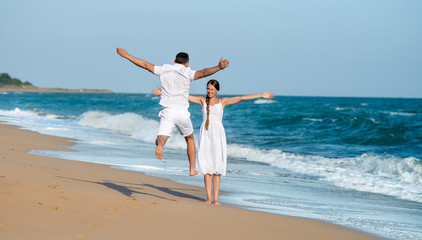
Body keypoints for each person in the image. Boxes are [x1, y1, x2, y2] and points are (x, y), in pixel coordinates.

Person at [153, 80, 275, 204]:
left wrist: (260, 95)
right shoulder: (201, 100)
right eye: (208, 89)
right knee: (206, 167)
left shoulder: (223, 101)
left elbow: (241, 98)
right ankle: (209, 198)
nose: (210, 91)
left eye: (212, 89)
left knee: (217, 168)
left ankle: (216, 199)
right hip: (205, 134)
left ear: (217, 90)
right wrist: (164, 92)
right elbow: (183, 97)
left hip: (218, 135)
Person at [117, 48, 229, 176]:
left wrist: (126, 55)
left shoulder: (164, 69)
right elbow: (203, 73)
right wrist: (218, 67)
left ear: (174, 61)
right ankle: (192, 169)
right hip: (182, 112)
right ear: (187, 63)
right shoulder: (187, 72)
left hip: (168, 111)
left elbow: (145, 65)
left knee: (162, 137)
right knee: (189, 139)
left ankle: (160, 145)